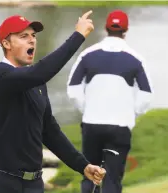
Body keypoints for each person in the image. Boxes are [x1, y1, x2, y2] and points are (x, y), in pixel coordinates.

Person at [0, 11, 106, 193]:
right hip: (0, 182)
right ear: (6, 44)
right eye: (23, 36)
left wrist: (82, 165)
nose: (32, 40)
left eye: (33, 36)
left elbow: (50, 131)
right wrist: (78, 36)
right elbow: (40, 72)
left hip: (33, 184)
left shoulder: (38, 84)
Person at [67, 10, 153, 193]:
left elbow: (73, 91)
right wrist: (131, 114)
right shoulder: (136, 59)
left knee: (90, 177)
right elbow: (146, 95)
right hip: (120, 127)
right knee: (112, 179)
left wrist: (88, 109)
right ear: (126, 30)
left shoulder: (87, 55)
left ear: (106, 28)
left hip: (92, 125)